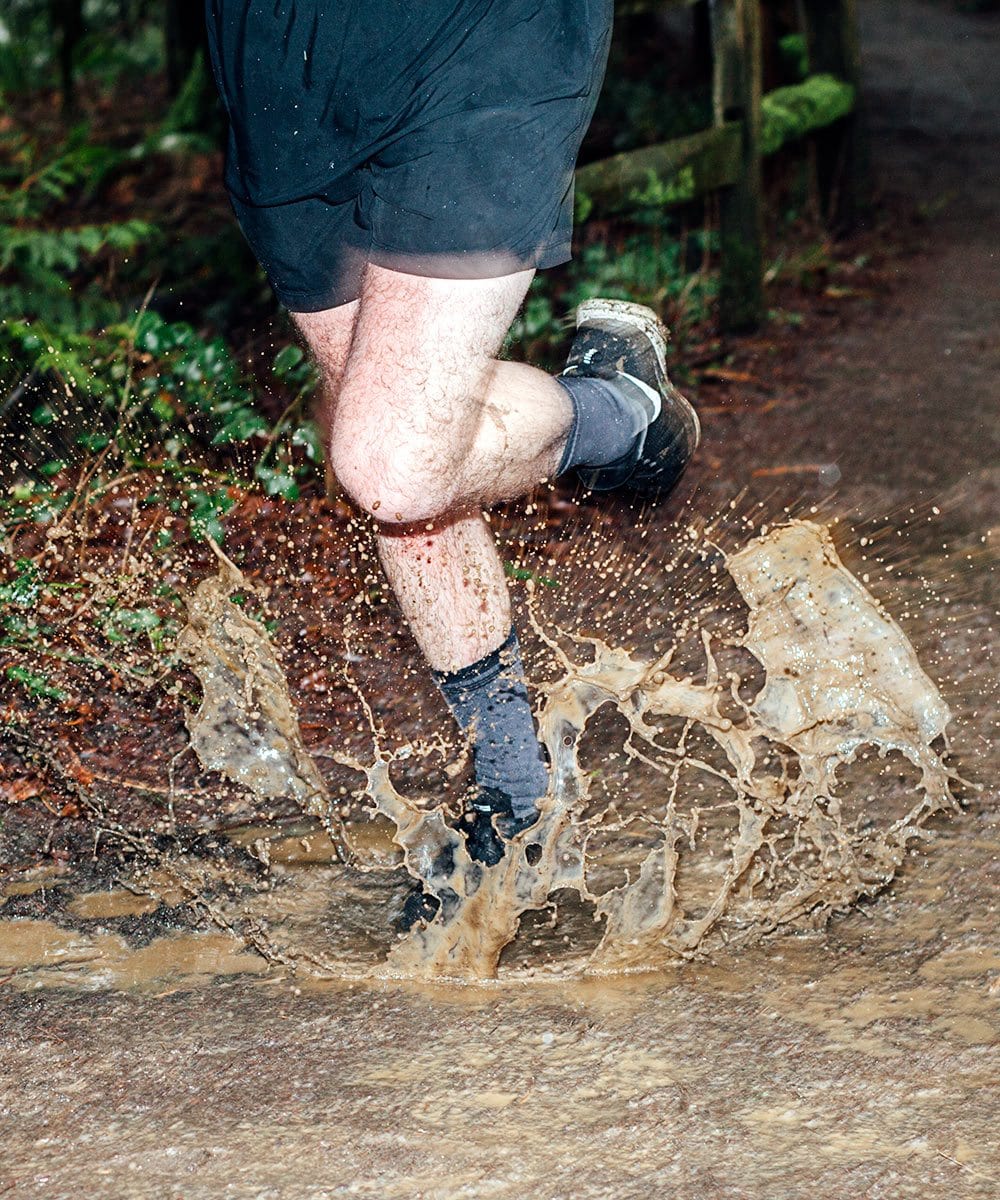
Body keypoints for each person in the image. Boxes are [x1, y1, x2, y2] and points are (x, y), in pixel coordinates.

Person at [204, 0, 700, 869]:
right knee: (388, 441)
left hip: (477, 35)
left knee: (392, 459)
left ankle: (618, 409)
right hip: (280, 62)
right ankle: (515, 797)